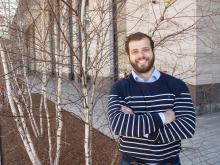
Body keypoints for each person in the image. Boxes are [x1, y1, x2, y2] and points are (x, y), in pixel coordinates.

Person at [107, 32, 196, 165]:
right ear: (129, 56)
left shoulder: (177, 85)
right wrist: (163, 118)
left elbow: (187, 127)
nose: (141, 55)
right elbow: (119, 125)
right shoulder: (119, 88)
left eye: (145, 49)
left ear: (153, 51)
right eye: (135, 51)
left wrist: (137, 125)